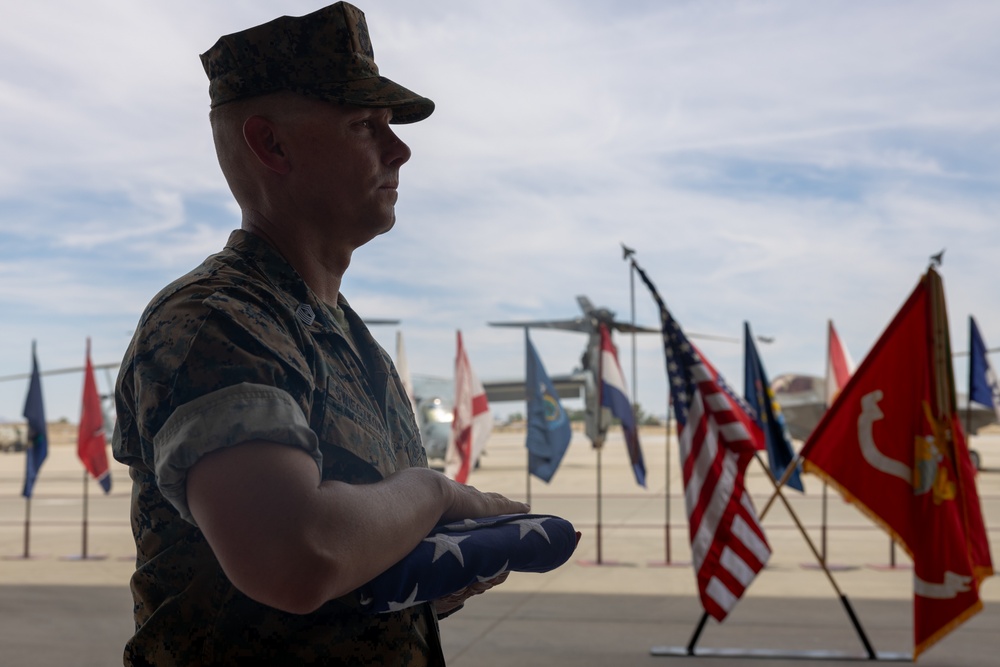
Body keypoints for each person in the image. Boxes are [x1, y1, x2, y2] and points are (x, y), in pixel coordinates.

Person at [112, 3, 528, 665]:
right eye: (366, 125)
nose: (401, 149)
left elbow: (336, 565)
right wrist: (436, 494)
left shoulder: (345, 338)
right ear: (271, 145)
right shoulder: (216, 321)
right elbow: (294, 557)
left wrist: (436, 568)